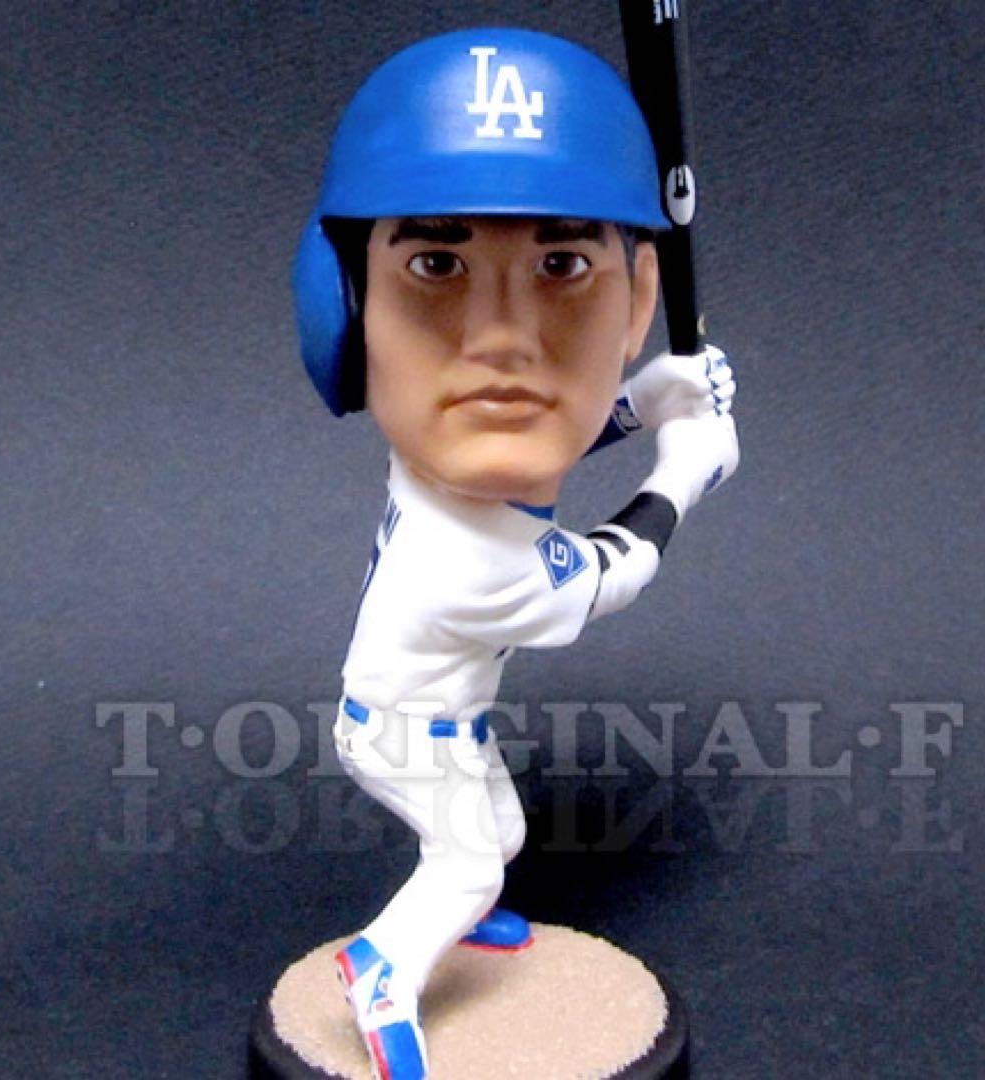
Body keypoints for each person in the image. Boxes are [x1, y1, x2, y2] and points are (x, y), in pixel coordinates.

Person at [292, 27, 739, 1080]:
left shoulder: (434, 461)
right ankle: (385, 969)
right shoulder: (475, 564)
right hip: (404, 731)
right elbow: (614, 570)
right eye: (436, 264)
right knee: (469, 865)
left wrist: (648, 396)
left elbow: (538, 439)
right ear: (351, 306)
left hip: (420, 712)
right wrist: (685, 472)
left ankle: (458, 910)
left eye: (562, 265)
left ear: (635, 300)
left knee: (496, 833)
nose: (503, 340)